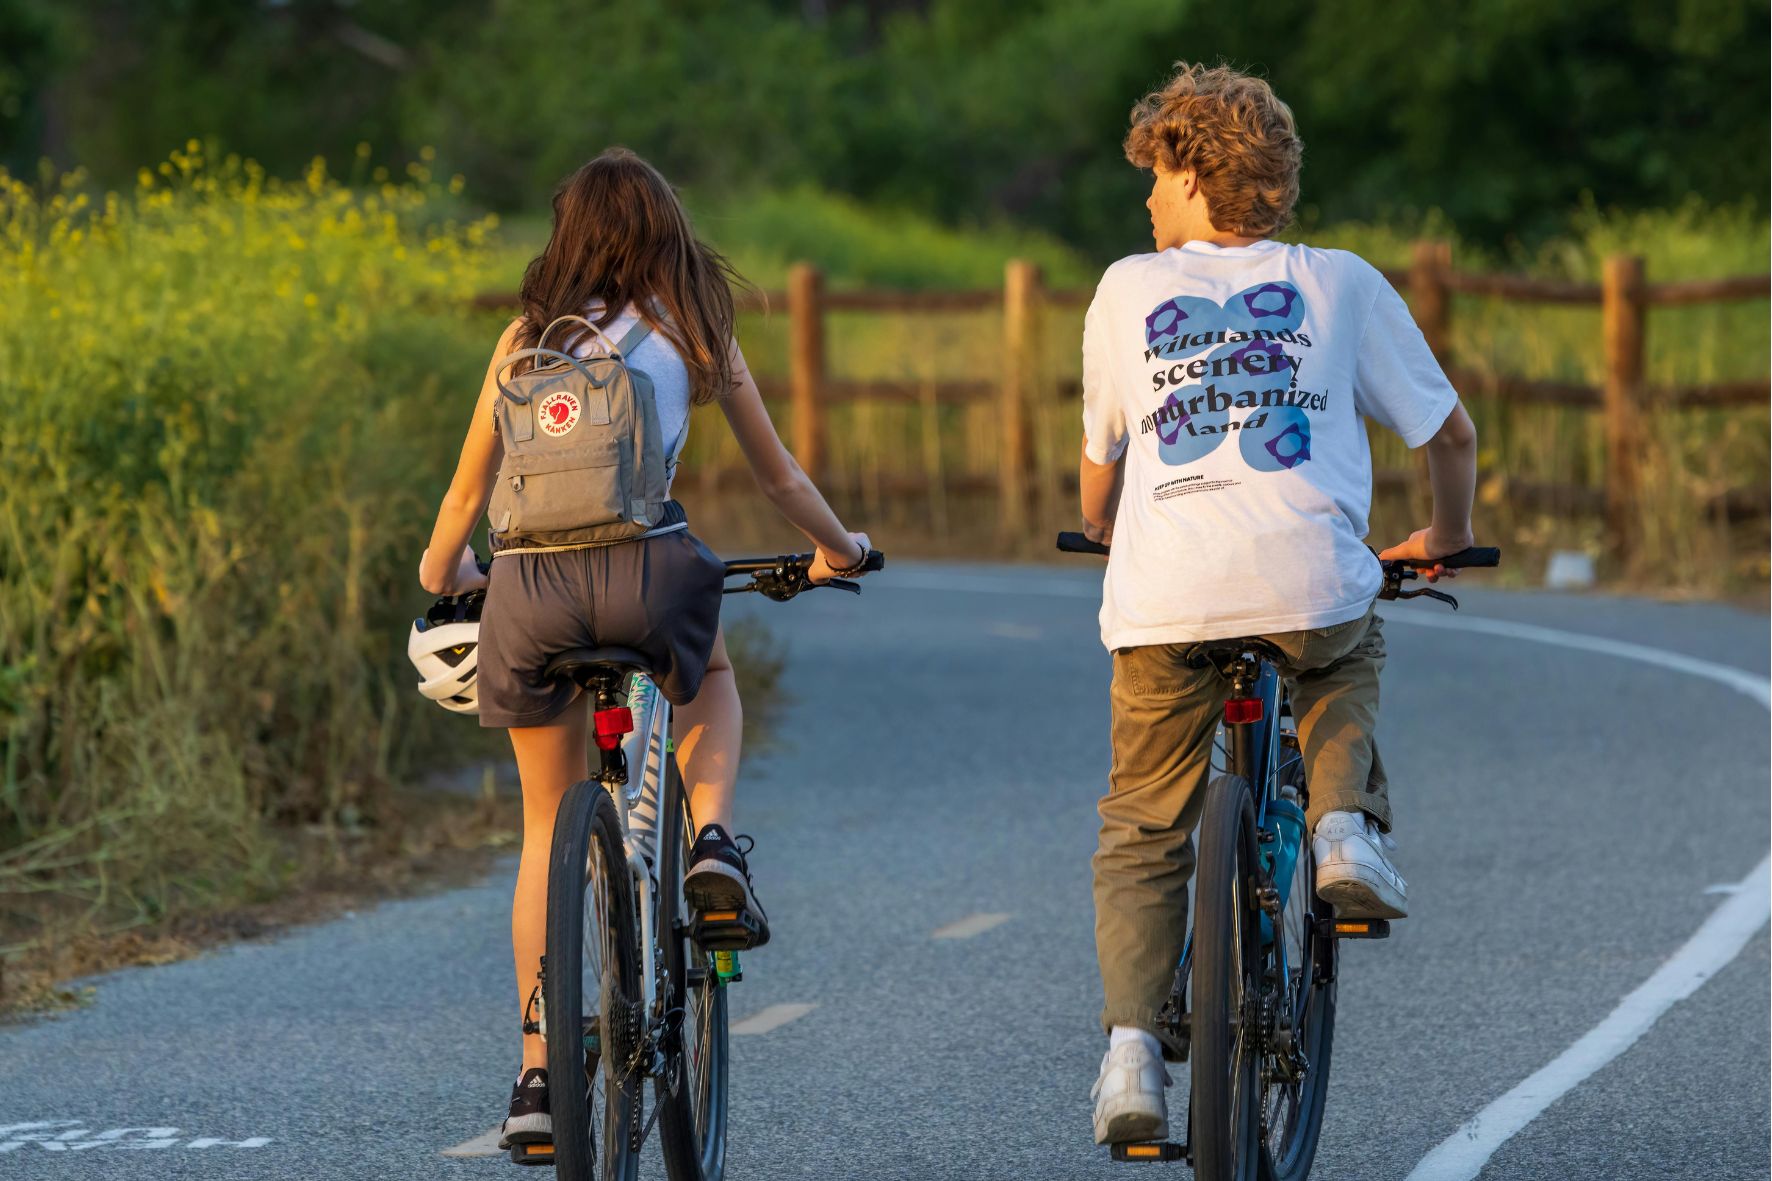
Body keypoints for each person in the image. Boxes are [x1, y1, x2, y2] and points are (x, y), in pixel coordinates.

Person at [416, 147, 872, 1150]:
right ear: (665, 234)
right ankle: (710, 840)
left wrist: (440, 572)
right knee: (706, 670)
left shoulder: (522, 338)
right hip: (644, 578)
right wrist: (842, 550)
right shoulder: (690, 327)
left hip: (527, 591)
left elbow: (458, 503)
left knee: (543, 826)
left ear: (565, 235)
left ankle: (538, 1076)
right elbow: (781, 476)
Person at [1077, 64, 1478, 1145]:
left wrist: (1108, 527)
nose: (1146, 201)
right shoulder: (1341, 281)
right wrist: (1438, 537)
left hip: (1162, 601)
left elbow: (1097, 472)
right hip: (1305, 577)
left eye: (1155, 176)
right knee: (1343, 648)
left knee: (1139, 826)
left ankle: (1127, 1060)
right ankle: (1340, 826)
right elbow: (1447, 433)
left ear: (1197, 171)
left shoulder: (1123, 290)